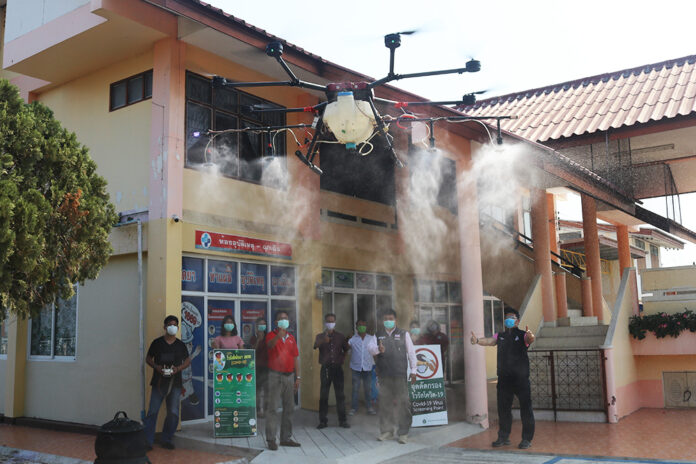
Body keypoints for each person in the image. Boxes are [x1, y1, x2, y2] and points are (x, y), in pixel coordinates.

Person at [471, 308, 536, 450]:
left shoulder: (523, 335)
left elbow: (530, 339)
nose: (509, 320)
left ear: (517, 321)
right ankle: (503, 437)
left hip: (521, 379)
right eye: (507, 317)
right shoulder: (500, 336)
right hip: (504, 379)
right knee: (503, 409)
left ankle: (526, 439)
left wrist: (530, 335)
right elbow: (489, 341)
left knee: (526, 409)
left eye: (512, 317)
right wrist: (477, 341)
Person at [368, 309, 417, 444]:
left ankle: (403, 433)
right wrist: (379, 349)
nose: (388, 321)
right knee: (385, 404)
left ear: (395, 320)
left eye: (390, 318)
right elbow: (370, 348)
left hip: (400, 375)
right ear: (382, 321)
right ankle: (387, 432)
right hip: (384, 376)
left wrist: (414, 371)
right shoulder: (378, 335)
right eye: (385, 319)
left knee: (403, 404)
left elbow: (412, 353)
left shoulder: (403, 334)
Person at [144, 315, 191, 450]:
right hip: (158, 382)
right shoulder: (157, 343)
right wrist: (156, 367)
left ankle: (167, 439)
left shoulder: (180, 345)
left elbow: (187, 361)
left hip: (175, 383)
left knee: (173, 412)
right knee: (152, 411)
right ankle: (148, 441)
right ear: (164, 327)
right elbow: (148, 358)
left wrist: (178, 369)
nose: (173, 327)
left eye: (175, 325)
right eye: (170, 324)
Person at [265, 310, 301, 450]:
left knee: (289, 408)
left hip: (289, 376)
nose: (284, 321)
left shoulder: (291, 338)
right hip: (275, 376)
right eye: (281, 319)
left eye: (286, 318)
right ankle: (271, 439)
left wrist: (298, 377)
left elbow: (295, 358)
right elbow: (269, 346)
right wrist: (278, 337)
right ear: (276, 322)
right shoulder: (271, 335)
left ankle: (286, 438)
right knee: (273, 409)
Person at [314, 313, 351, 429]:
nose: (330, 323)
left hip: (337, 369)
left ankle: (343, 420)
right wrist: (323, 341)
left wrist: (343, 358)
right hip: (325, 368)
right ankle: (323, 421)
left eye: (332, 321)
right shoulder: (320, 336)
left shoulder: (340, 336)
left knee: (340, 395)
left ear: (335, 322)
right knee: (323, 395)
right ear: (325, 322)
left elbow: (346, 349)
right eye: (328, 321)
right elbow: (315, 346)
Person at [348, 319, 376, 416]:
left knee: (368, 389)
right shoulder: (352, 340)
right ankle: (353, 408)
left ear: (366, 327)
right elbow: (347, 350)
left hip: (368, 368)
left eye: (363, 325)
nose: (361, 327)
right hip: (356, 368)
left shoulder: (372, 338)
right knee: (355, 389)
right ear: (356, 327)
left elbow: (375, 352)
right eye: (359, 325)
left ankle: (369, 407)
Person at [249, 316, 269, 418]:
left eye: (263, 324)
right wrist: (258, 340)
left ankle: (265, 411)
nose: (262, 326)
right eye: (260, 324)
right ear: (256, 326)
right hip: (256, 368)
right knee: (257, 391)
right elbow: (252, 352)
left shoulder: (269, 336)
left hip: (267, 368)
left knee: (266, 391)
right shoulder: (253, 338)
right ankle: (257, 411)